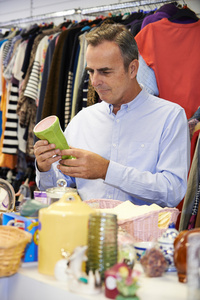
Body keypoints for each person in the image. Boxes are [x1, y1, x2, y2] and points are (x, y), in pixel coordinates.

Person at [34, 23, 190, 208]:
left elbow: (172, 191)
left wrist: (107, 170)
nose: (94, 81)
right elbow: (61, 186)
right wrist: (44, 168)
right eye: (91, 71)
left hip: (142, 235)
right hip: (87, 231)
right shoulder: (83, 120)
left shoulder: (170, 117)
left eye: (105, 71)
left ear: (133, 69)